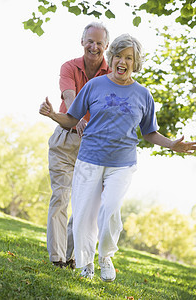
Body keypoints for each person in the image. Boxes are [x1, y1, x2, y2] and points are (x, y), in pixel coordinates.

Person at [39, 33, 196, 281]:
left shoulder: (143, 95)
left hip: (122, 163)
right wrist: (52, 115)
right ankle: (85, 264)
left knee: (110, 209)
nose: (123, 62)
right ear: (111, 59)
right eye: (119, 56)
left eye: (129, 58)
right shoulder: (94, 86)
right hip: (89, 158)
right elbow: (72, 117)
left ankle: (105, 256)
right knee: (83, 216)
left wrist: (172, 145)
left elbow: (149, 132)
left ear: (135, 63)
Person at [46, 22, 110, 269]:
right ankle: (57, 258)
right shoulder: (69, 67)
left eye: (99, 43)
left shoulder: (112, 72)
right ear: (82, 42)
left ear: (106, 46)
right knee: (61, 196)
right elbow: (70, 95)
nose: (94, 47)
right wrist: (79, 117)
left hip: (93, 146)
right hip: (66, 137)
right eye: (90, 41)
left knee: (85, 204)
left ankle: (70, 255)